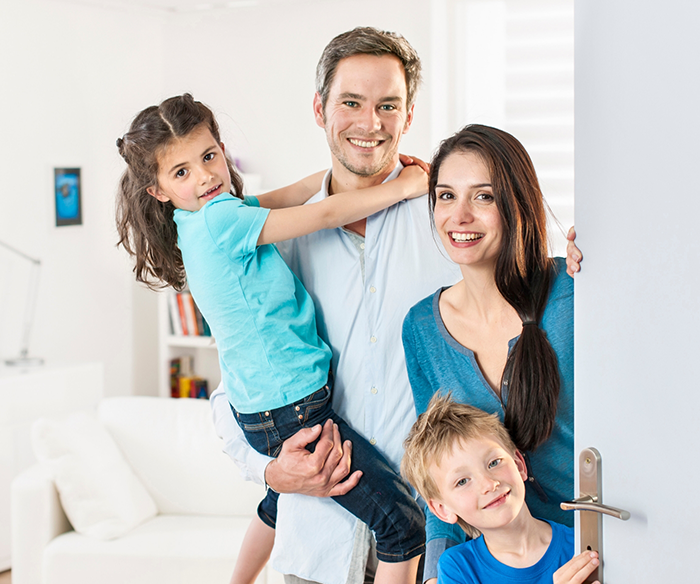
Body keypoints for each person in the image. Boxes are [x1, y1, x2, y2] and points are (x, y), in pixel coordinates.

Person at [210, 27, 584, 584]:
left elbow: (515, 276)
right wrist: (271, 469)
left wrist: (583, 262)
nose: (369, 123)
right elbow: (235, 387)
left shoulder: (443, 221)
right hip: (316, 542)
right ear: (320, 108)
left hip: (435, 544)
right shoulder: (273, 244)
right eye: (351, 103)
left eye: (388, 105)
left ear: (408, 116)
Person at [115, 93, 432, 584]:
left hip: (265, 408)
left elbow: (289, 195)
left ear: (221, 149)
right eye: (181, 173)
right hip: (294, 406)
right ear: (157, 190)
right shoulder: (223, 221)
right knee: (403, 526)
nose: (203, 176)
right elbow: (324, 214)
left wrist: (329, 178)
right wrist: (405, 186)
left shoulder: (206, 216)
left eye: (208, 157)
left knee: (280, 498)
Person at [401, 124, 574, 581]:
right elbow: (436, 466)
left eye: (483, 197)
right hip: (502, 568)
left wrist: (612, 260)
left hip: (595, 549)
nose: (459, 216)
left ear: (516, 204)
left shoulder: (573, 294)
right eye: (445, 196)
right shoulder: (422, 328)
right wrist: (438, 571)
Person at [401, 394, 599, 584]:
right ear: (442, 510)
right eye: (462, 481)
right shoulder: (457, 568)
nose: (489, 484)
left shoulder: (584, 547)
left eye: (494, 463)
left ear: (519, 465)